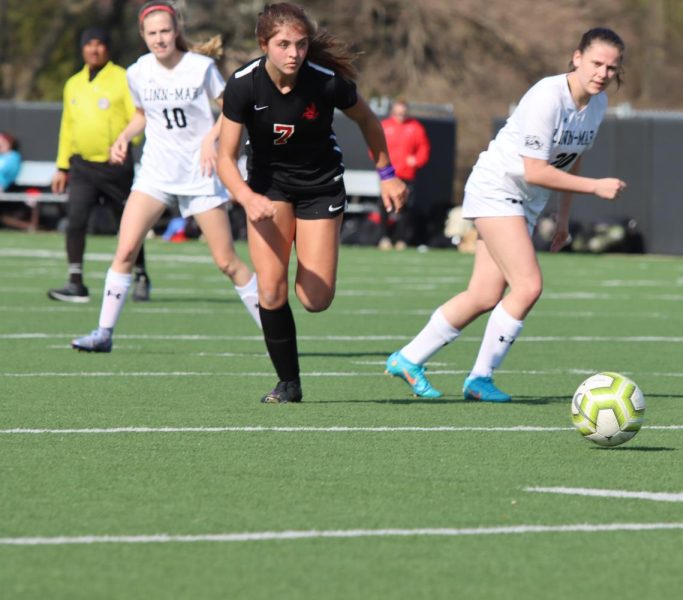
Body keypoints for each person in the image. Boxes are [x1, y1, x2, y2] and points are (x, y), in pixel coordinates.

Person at [386, 27, 627, 402]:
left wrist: (563, 218)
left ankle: (408, 358)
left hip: (525, 201)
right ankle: (480, 378)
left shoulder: (596, 105)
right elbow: (534, 170)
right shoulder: (548, 96)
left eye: (612, 68)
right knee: (528, 286)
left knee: (484, 295)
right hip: (497, 188)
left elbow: (573, 157)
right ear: (577, 57)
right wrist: (596, 187)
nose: (603, 73)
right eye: (596, 63)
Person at [217, 3, 407, 403]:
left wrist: (387, 175)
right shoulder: (243, 85)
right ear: (263, 44)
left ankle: (312, 249)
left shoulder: (325, 82)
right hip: (267, 190)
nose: (293, 53)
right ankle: (289, 384)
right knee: (270, 291)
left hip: (321, 186)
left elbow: (368, 120)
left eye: (301, 44)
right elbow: (225, 157)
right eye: (283, 44)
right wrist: (247, 197)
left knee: (315, 300)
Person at [71, 1, 261, 352]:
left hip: (199, 174)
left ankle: (274, 331)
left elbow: (234, 110)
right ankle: (103, 333)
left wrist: (211, 139)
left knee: (226, 262)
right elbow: (143, 114)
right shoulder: (138, 71)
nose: (159, 38)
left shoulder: (200, 68)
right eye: (152, 32)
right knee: (126, 248)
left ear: (177, 32)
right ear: (143, 35)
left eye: (165, 31)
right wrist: (124, 137)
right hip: (156, 174)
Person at [48, 27, 152, 304]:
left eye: (99, 44)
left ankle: (141, 275)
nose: (94, 49)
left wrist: (125, 143)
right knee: (76, 221)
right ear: (82, 49)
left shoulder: (123, 78)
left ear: (108, 48)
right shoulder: (73, 83)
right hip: (82, 166)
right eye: (89, 44)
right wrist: (62, 166)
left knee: (128, 224)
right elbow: (67, 127)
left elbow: (138, 117)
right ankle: (75, 281)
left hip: (114, 166)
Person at [377, 98, 431, 250]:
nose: (400, 115)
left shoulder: (415, 127)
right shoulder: (385, 126)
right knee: (384, 206)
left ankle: (401, 239)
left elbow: (424, 149)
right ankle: (384, 237)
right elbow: (374, 147)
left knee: (405, 208)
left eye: (403, 112)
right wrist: (382, 165)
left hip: (406, 174)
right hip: (388, 174)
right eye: (398, 112)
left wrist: (416, 161)